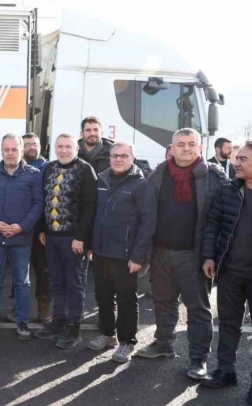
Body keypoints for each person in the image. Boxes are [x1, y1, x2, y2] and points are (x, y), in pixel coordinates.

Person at [136, 128, 227, 381]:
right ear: (172, 148)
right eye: (181, 144)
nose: (186, 148)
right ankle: (164, 344)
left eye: (191, 144)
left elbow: (221, 220)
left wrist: (211, 255)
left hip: (194, 255)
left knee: (198, 309)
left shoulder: (213, 176)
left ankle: (198, 359)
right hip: (161, 252)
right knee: (163, 302)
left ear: (200, 147)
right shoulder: (159, 174)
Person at [200, 138, 252, 405]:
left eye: (243, 159)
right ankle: (226, 371)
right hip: (229, 273)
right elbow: (212, 224)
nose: (236, 163)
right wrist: (209, 256)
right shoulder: (228, 190)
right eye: (236, 158)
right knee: (227, 324)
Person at [87, 142, 156, 363]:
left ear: (132, 158)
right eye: (115, 155)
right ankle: (107, 334)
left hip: (125, 255)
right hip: (100, 251)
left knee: (126, 299)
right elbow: (93, 215)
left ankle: (127, 341)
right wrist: (91, 245)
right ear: (109, 158)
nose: (118, 159)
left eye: (124, 156)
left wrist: (138, 256)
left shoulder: (141, 185)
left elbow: (148, 223)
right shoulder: (101, 180)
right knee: (103, 296)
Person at [0, 133, 43, 340]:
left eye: (14, 149)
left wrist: (21, 227)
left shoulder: (34, 174)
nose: (10, 153)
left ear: (21, 150)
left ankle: (22, 322)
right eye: (7, 149)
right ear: (1, 151)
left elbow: (38, 204)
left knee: (22, 282)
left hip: (21, 238)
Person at [34, 133, 97, 349]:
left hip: (73, 239)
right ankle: (58, 321)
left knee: (74, 284)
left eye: (68, 146)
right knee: (57, 282)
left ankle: (73, 328)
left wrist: (82, 238)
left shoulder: (85, 170)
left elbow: (90, 207)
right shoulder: (49, 168)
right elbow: (44, 200)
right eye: (60, 146)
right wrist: (43, 229)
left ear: (76, 148)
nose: (63, 150)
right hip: (51, 237)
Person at [22, 132, 51, 323]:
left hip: (40, 231)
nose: (32, 147)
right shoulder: (14, 167)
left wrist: (44, 229)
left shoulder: (48, 168)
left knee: (43, 272)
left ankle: (44, 311)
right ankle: (18, 308)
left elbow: (49, 202)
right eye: (27, 144)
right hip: (19, 230)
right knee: (19, 273)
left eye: (35, 144)